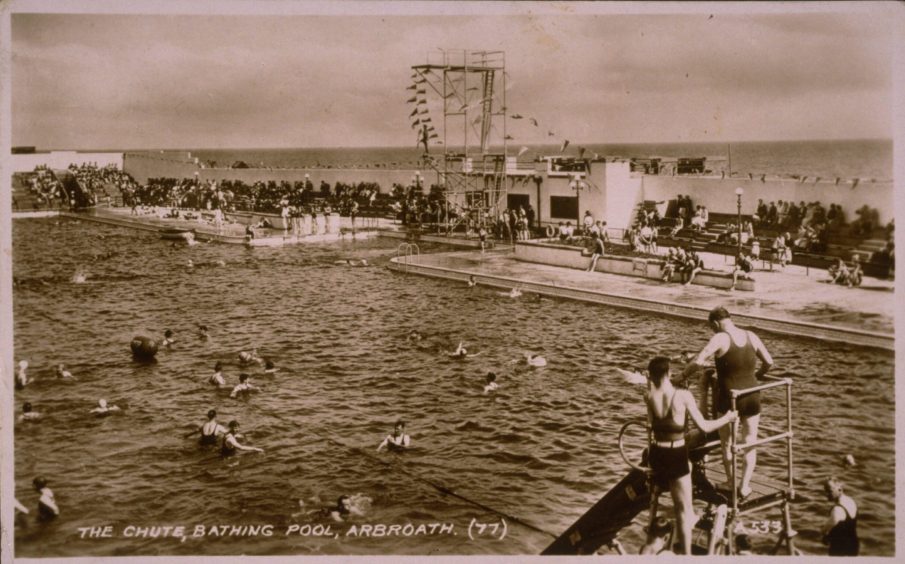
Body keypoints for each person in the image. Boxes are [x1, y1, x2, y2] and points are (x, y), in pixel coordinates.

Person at [646, 356, 737, 555]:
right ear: (669, 373)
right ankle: (687, 555)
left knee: (682, 487)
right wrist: (727, 418)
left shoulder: (649, 396)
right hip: (675, 455)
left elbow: (653, 427)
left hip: (656, 456)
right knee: (683, 511)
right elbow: (704, 426)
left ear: (651, 375)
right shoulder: (683, 396)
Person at [682, 307, 773, 499]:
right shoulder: (751, 335)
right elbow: (769, 362)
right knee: (750, 442)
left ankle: (731, 483)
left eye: (712, 327)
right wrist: (757, 376)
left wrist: (681, 376)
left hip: (729, 398)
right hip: (752, 393)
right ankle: (745, 486)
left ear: (715, 323)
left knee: (728, 443)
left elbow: (699, 361)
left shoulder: (720, 338)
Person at [822, 477, 859, 556]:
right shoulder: (850, 501)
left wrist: (824, 535)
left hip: (840, 548)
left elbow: (825, 529)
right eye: (825, 491)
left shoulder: (837, 510)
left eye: (829, 491)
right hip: (854, 544)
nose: (826, 494)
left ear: (840, 489)